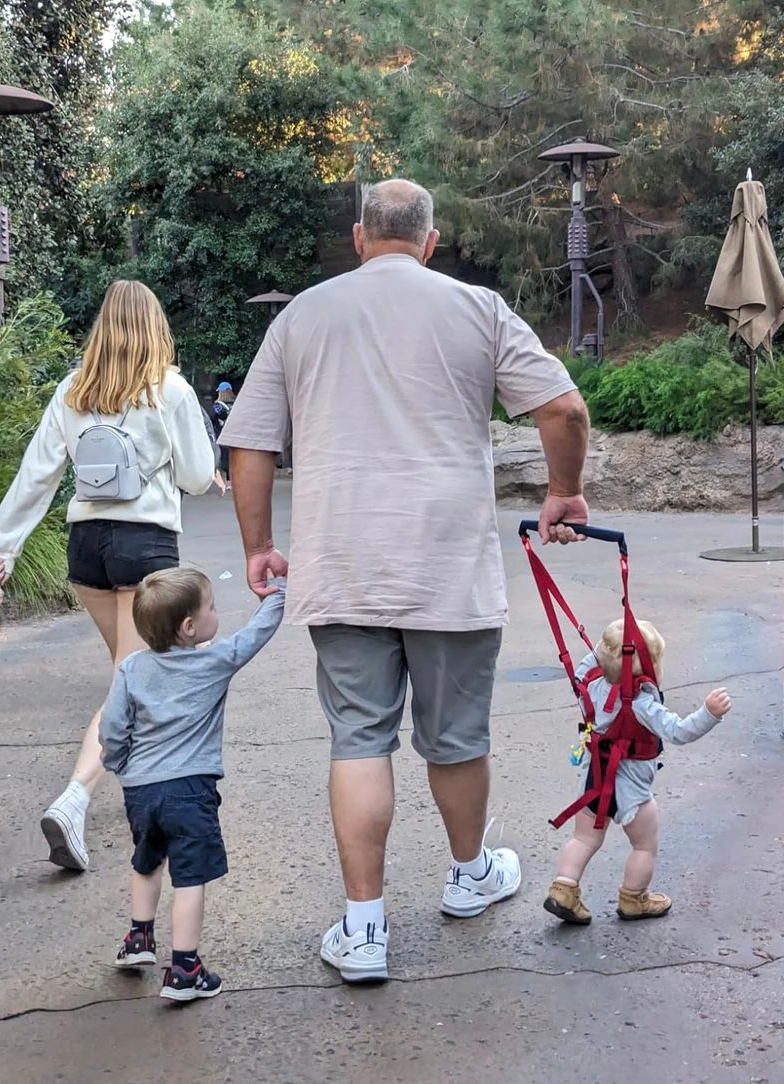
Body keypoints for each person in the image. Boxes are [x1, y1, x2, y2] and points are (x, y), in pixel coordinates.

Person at [219, 178, 591, 982]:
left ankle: (363, 931)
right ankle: (468, 876)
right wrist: (563, 492)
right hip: (448, 568)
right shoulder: (478, 309)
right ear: (430, 242)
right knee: (456, 738)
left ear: (359, 239)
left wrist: (259, 545)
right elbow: (564, 411)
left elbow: (250, 443)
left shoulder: (301, 316)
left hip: (341, 564)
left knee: (359, 738)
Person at [0, 280, 215, 873]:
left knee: (132, 673)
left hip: (87, 548)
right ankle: (76, 796)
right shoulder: (170, 389)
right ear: (155, 328)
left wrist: (3, 545)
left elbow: (38, 473)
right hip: (146, 548)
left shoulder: (73, 389)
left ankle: (138, 773)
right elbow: (196, 476)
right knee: (128, 681)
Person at [99, 567, 285, 1001]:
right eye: (212, 608)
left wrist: (120, 763)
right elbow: (256, 633)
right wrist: (278, 594)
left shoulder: (131, 667)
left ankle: (139, 939)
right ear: (188, 626)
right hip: (189, 791)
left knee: (146, 860)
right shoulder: (214, 661)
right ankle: (184, 970)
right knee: (189, 877)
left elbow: (112, 727)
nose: (217, 613)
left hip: (141, 790)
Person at [544, 619, 732, 925]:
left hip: (594, 783)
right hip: (632, 793)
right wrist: (708, 713)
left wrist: (608, 647)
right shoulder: (643, 705)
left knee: (583, 839)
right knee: (644, 846)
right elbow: (679, 731)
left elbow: (587, 663)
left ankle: (563, 889)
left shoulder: (590, 685)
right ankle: (634, 899)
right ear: (649, 668)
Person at [210, 381, 234, 488]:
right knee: (232, 458)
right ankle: (231, 481)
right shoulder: (236, 403)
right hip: (233, 434)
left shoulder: (218, 406)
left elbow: (212, 418)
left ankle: (223, 481)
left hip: (220, 434)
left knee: (221, 458)